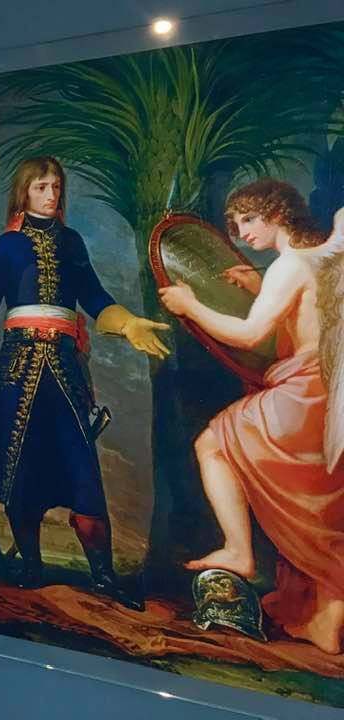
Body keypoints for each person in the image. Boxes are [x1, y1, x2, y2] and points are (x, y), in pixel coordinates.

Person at [0, 156, 169, 609]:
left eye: (56, 187)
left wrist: (127, 324)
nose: (52, 195)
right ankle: (32, 567)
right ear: (24, 192)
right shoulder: (5, 247)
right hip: (16, 369)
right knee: (20, 471)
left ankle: (103, 577)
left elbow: (96, 298)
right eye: (42, 187)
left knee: (82, 471)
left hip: (65, 370)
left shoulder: (72, 243)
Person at [159, 178, 344, 654]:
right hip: (324, 397)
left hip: (302, 396)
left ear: (277, 213)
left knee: (213, 443)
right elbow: (308, 318)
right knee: (317, 510)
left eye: (248, 219)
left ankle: (239, 551)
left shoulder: (289, 265)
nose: (242, 234)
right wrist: (261, 288)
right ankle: (327, 621)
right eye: (236, 224)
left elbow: (249, 335)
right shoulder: (323, 259)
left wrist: (190, 305)